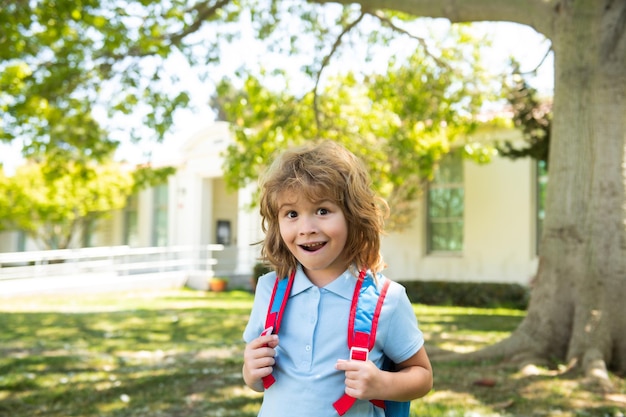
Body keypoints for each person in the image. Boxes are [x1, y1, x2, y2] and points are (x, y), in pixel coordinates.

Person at [242, 141, 433, 417]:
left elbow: (422, 375)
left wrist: (383, 383)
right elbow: (255, 377)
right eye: (292, 214)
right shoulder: (268, 290)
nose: (306, 229)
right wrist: (250, 372)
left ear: (353, 216)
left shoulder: (387, 299)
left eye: (322, 210)